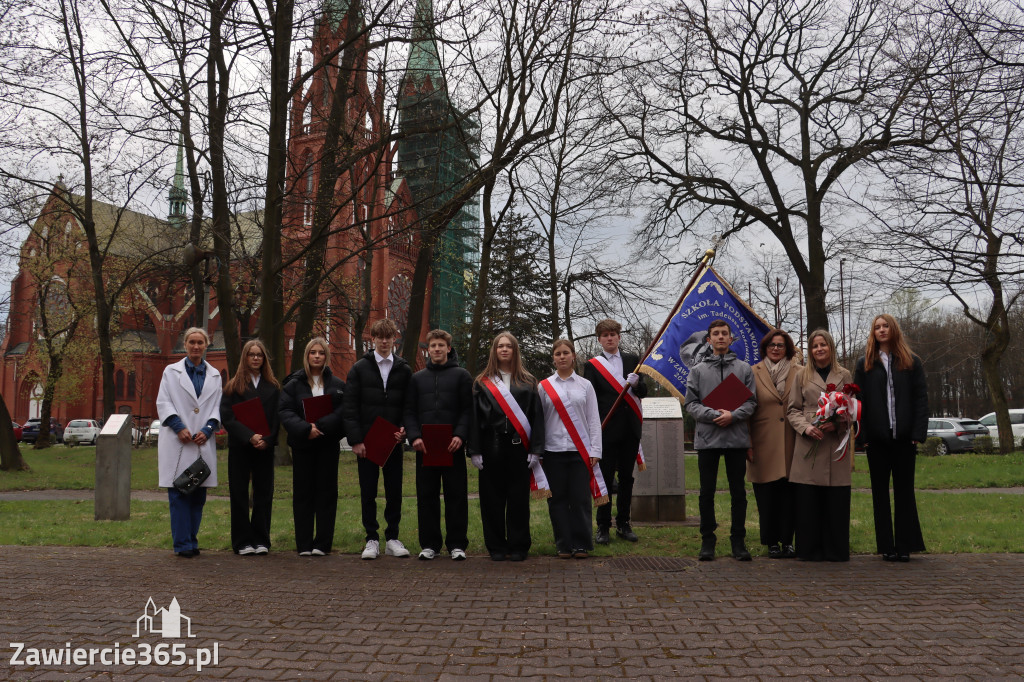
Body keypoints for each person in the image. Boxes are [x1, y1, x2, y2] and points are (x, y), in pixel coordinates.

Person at [854, 314, 928, 562]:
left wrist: (917, 433)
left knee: (904, 492)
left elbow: (920, 399)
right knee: (879, 493)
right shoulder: (865, 363)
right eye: (877, 327)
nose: (882, 330)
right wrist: (861, 436)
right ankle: (886, 545)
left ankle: (904, 545)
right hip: (876, 440)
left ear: (893, 329)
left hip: (904, 439)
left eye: (886, 326)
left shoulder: (911, 362)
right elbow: (858, 403)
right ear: (873, 332)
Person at [684, 319, 757, 562]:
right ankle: (708, 541)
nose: (720, 337)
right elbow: (690, 404)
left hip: (736, 438)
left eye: (725, 333)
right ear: (709, 340)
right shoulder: (697, 371)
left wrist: (733, 416)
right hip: (708, 439)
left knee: (738, 493)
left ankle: (738, 541)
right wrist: (715, 415)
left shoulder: (745, 369)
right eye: (716, 334)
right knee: (706, 493)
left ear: (731, 338)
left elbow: (751, 402)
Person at [469, 332, 545, 561]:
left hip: (518, 447)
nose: (504, 350)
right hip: (491, 446)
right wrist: (474, 450)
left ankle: (519, 545)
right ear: (494, 350)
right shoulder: (482, 382)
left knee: (518, 499)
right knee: (491, 499)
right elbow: (474, 419)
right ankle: (496, 546)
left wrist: (536, 449)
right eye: (500, 346)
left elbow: (537, 418)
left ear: (515, 350)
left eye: (508, 346)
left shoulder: (529, 381)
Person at [343, 318, 413, 560]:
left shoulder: (404, 369)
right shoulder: (359, 368)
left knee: (394, 490)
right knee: (368, 491)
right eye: (379, 337)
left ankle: (392, 537)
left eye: (388, 337)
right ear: (372, 339)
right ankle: (371, 538)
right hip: (368, 441)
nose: (384, 341)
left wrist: (405, 429)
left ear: (395, 338)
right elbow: (350, 407)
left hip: (393, 440)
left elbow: (408, 406)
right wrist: (356, 440)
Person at [403, 329, 473, 561]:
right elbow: (409, 411)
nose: (437, 349)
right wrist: (414, 437)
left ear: (448, 349)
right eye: (433, 346)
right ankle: (430, 544)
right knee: (426, 496)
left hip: (452, 447)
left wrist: (460, 435)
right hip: (425, 448)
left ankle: (457, 544)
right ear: (428, 350)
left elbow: (467, 410)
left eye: (441, 345)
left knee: (456, 496)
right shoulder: (416, 378)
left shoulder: (462, 376)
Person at [787, 329, 854, 562]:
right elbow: (792, 409)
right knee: (808, 502)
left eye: (823, 345)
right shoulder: (801, 376)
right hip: (809, 444)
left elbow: (852, 409)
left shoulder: (844, 374)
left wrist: (838, 424)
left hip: (835, 444)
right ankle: (809, 550)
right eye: (815, 346)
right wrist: (806, 427)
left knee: (835, 501)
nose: (819, 349)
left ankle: (835, 550)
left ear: (831, 347)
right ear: (810, 350)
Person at [156, 327, 222, 558]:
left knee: (198, 495)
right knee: (179, 494)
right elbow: (164, 402)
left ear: (206, 345)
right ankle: (182, 544)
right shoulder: (170, 372)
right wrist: (179, 427)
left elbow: (216, 407)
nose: (196, 346)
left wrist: (208, 429)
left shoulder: (214, 375)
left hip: (201, 442)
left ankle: (192, 540)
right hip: (178, 442)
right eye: (192, 342)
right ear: (185, 345)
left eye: (200, 342)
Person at [583, 318, 648, 545]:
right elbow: (590, 398)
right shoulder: (592, 365)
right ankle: (603, 526)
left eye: (613, 334)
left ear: (619, 337)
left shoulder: (632, 360)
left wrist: (637, 384)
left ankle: (624, 523)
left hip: (630, 428)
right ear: (599, 339)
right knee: (605, 478)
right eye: (605, 335)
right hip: (606, 429)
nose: (610, 338)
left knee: (627, 479)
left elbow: (644, 392)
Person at [279, 337, 346, 556]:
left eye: (321, 353)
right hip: (303, 446)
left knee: (327, 494)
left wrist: (322, 426)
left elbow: (344, 412)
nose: (317, 356)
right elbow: (286, 412)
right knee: (303, 494)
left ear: (326, 356)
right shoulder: (293, 384)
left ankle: (322, 544)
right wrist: (306, 429)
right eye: (312, 352)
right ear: (306, 356)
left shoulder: (337, 385)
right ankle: (304, 544)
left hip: (327, 445)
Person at [538, 338, 603, 559]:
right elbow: (540, 421)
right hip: (552, 451)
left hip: (580, 451)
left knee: (580, 499)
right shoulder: (544, 386)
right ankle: (563, 544)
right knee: (557, 500)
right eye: (558, 354)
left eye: (566, 353)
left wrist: (595, 450)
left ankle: (581, 544)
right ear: (553, 358)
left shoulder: (585, 385)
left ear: (573, 355)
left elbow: (593, 419)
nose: (562, 357)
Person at [220, 339, 281, 556]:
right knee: (239, 493)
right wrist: (249, 436)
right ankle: (242, 541)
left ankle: (261, 538)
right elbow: (227, 417)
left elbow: (276, 417)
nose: (256, 358)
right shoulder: (233, 386)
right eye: (251, 354)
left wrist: (268, 438)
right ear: (245, 358)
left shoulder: (273, 387)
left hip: (264, 446)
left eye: (259, 355)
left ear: (264, 359)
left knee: (264, 493)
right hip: (241, 446)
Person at [747, 329, 800, 559]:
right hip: (762, 441)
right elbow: (746, 408)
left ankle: (788, 541)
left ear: (787, 348)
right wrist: (747, 442)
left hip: (792, 441)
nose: (776, 348)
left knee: (790, 496)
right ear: (765, 348)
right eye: (772, 345)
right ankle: (771, 542)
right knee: (766, 495)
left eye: (780, 345)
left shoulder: (800, 371)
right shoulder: (752, 371)